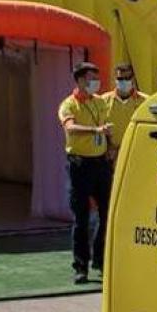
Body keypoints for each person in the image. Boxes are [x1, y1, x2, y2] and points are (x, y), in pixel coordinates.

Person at [58, 62, 111, 284]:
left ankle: (100, 259)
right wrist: (94, 131)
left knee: (106, 213)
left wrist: (110, 146)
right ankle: (81, 267)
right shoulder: (68, 105)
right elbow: (69, 127)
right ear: (79, 80)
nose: (95, 83)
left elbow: (107, 127)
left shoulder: (100, 102)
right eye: (90, 78)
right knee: (81, 218)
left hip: (101, 163)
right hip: (80, 165)